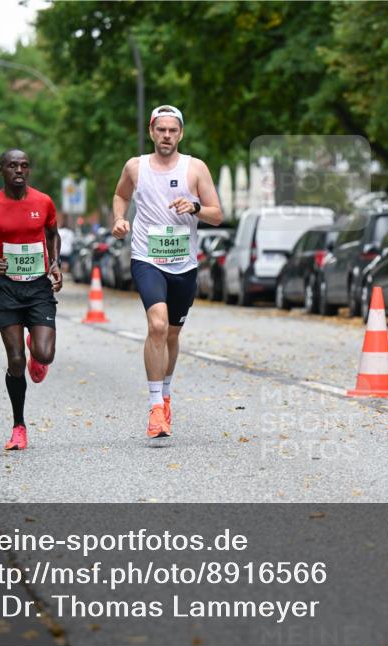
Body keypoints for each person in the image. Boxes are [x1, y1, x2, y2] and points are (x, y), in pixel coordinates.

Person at [112, 104, 223, 438]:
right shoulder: (136, 167)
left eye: (172, 130)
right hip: (147, 258)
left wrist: (196, 207)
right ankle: (155, 406)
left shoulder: (195, 168)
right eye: (161, 130)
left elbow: (217, 214)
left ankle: (167, 393)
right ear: (151, 131)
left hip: (184, 264)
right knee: (157, 325)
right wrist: (119, 219)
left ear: (181, 134)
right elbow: (120, 195)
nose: (166, 136)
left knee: (172, 333)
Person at [0, 149, 61, 451]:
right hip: (6, 291)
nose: (19, 171)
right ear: (1, 170)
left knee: (44, 354)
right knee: (15, 361)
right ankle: (19, 426)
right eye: (12, 166)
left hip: (37, 288)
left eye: (23, 166)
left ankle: (37, 350)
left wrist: (55, 263)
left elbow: (53, 235)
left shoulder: (43, 201)